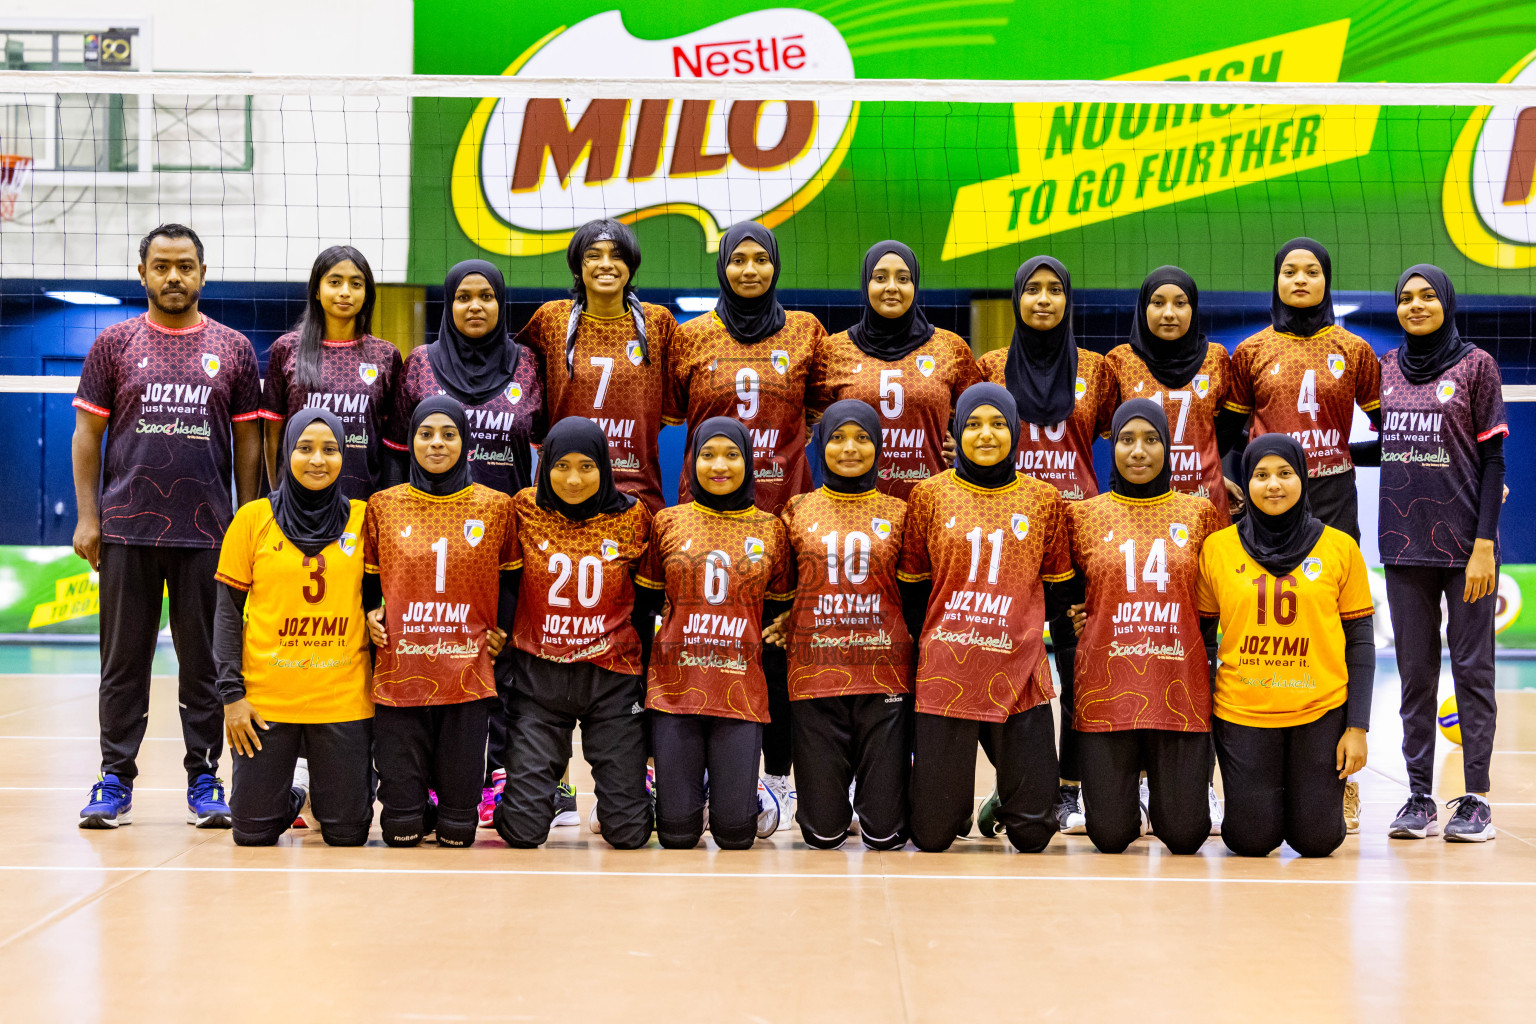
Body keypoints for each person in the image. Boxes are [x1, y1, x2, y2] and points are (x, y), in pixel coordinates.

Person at [74, 223, 263, 829]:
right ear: (142, 273)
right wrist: (88, 516)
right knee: (122, 662)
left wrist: (250, 522)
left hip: (209, 535)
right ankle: (114, 778)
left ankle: (204, 778)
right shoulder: (114, 343)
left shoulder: (233, 347)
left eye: (185, 266)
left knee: (206, 664)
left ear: (203, 274)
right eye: (161, 266)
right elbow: (87, 436)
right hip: (127, 530)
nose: (173, 276)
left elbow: (250, 443)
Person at [1223, 238, 1382, 833]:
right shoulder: (1251, 350)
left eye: (1312, 271)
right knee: (1257, 627)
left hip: (1333, 497)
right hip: (1263, 503)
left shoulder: (1355, 349)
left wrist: (1344, 455)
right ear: (1276, 280)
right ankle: (1241, 769)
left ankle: (1343, 779)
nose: (1300, 279)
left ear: (1326, 280)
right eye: (1289, 271)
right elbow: (1230, 432)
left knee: (1336, 632)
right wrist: (1241, 485)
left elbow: (1397, 432)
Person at [668, 221, 825, 825]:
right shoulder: (693, 336)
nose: (751, 270)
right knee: (701, 640)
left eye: (762, 260)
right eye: (739, 260)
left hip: (784, 514)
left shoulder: (807, 332)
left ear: (777, 266)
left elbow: (823, 412)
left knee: (778, 648)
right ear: (722, 268)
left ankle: (777, 780)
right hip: (699, 519)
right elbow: (673, 411)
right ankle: (695, 778)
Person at [1354, 265, 1505, 842]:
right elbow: (1394, 444)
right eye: (1405, 299)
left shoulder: (1476, 366)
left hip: (1467, 548)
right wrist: (1322, 457)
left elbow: (1493, 461)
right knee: (1416, 675)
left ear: (1445, 301)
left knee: (1472, 672)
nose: (1415, 306)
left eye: (1426, 297)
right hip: (1403, 544)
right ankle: (1419, 797)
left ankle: (1476, 800)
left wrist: (1485, 546)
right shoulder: (1387, 368)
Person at [394, 259, 547, 823]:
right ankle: (434, 777)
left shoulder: (528, 365)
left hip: (504, 538)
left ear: (502, 304)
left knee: (499, 654)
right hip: (427, 540)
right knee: (433, 651)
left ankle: (502, 776)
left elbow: (550, 447)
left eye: (486, 296)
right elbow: (396, 456)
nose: (475, 306)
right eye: (463, 296)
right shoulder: (418, 366)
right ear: (448, 305)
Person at [897, 383, 1076, 853]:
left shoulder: (1044, 500)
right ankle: (951, 796)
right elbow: (913, 588)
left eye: (998, 424)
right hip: (947, 669)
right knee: (933, 836)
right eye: (973, 424)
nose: (986, 434)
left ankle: (1007, 794)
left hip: (1019, 670)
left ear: (1016, 431)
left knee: (1035, 835)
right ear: (956, 431)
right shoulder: (928, 495)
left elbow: (1058, 591)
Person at [977, 255, 1118, 834]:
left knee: (1081, 664)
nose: (1042, 300)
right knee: (996, 656)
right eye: (1031, 289)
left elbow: (1122, 433)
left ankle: (1067, 787)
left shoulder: (1097, 369)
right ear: (1015, 299)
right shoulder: (988, 366)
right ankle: (1019, 779)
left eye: (1054, 289)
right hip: (1008, 536)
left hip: (1079, 534)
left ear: (1067, 299)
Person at [1196, 435, 1374, 858]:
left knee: (1318, 840)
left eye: (1284, 473)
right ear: (1246, 482)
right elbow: (1201, 641)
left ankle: (1329, 798)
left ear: (1303, 478)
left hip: (1319, 710)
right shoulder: (1218, 548)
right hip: (1243, 711)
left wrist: (1357, 728)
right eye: (1260, 475)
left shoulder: (1340, 548)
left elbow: (1361, 643)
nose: (1273, 485)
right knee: (1250, 840)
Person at [492, 417, 655, 851]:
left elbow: (652, 597)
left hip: (612, 681)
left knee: (629, 834)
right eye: (561, 466)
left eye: (587, 465)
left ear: (604, 465)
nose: (574, 478)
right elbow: (497, 577)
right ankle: (534, 793)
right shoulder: (523, 508)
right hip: (538, 681)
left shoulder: (634, 516)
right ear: (544, 467)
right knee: (523, 833)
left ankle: (631, 796)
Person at [1066, 399, 1220, 854]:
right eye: (1127, 440)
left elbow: (1212, 600)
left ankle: (1169, 795)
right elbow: (1064, 590)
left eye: (1151, 440)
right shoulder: (1083, 516)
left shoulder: (1198, 514)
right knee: (1110, 837)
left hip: (1179, 685)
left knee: (1186, 836)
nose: (1138, 451)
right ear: (1111, 446)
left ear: (1168, 448)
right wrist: (1073, 616)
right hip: (1107, 688)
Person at [362, 397, 517, 848]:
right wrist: (371, 614)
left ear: (466, 445)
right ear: (410, 442)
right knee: (400, 832)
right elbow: (371, 585)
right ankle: (412, 801)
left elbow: (511, 580)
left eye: (448, 434)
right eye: (426, 434)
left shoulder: (495, 506)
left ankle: (449, 804)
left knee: (457, 834)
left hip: (465, 675)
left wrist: (500, 631)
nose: (436, 443)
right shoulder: (382, 505)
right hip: (400, 673)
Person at [214, 409, 373, 846]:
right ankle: (298, 788)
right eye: (305, 448)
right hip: (267, 705)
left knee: (347, 834)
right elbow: (227, 613)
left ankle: (331, 789)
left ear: (344, 456)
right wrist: (232, 698)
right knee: (250, 833)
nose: (317, 460)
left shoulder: (365, 519)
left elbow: (383, 602)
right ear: (286, 453)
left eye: (330, 449)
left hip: (343, 702)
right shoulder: (251, 519)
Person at [639, 419, 795, 850]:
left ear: (747, 461)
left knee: (734, 835)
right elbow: (645, 603)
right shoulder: (667, 522)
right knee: (676, 834)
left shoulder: (771, 528)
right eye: (707, 455)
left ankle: (747, 791)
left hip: (740, 693)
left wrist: (784, 624)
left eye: (731, 455)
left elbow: (781, 608)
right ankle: (683, 787)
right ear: (691, 462)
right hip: (675, 692)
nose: (719, 465)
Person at [768, 399, 914, 850]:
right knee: (823, 835)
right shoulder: (795, 510)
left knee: (885, 835)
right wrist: (793, 611)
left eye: (862, 438)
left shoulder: (902, 512)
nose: (849, 448)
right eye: (837, 438)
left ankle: (875, 789)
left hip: (883, 673)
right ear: (820, 443)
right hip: (815, 675)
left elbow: (916, 593)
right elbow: (780, 591)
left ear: (880, 446)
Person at [516, 219, 679, 512]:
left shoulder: (659, 323)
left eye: (617, 255)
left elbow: (665, 411)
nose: (607, 264)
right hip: (564, 488)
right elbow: (526, 398)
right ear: (578, 265)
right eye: (594, 255)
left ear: (631, 265)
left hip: (635, 488)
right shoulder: (551, 320)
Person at [810, 240, 980, 499]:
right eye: (880, 278)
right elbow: (801, 418)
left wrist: (963, 443)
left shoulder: (951, 348)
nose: (891, 287)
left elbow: (979, 417)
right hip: (852, 504)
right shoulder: (831, 351)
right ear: (866, 284)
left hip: (930, 502)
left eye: (903, 278)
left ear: (915, 285)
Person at [259, 246, 403, 499]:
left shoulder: (387, 355)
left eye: (356, 284)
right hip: (298, 500)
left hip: (364, 499)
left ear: (367, 293)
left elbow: (391, 443)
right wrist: (277, 492)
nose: (345, 292)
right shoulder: (286, 349)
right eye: (335, 282)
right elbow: (272, 436)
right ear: (317, 290)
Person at [1106, 266, 1243, 524]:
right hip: (1139, 501)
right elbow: (1115, 440)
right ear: (1143, 307)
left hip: (1205, 501)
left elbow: (1216, 433)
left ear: (1193, 308)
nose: (1169, 313)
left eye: (1180, 303)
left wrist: (1214, 473)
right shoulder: (1118, 361)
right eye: (1158, 303)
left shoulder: (1217, 358)